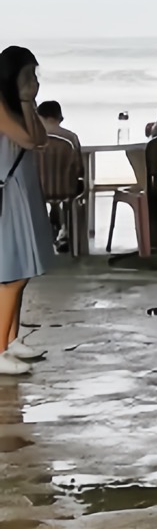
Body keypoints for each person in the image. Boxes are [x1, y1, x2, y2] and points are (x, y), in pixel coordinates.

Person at [0, 46, 53, 374]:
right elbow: (27, 140)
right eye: (27, 76)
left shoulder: (20, 107)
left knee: (23, 270)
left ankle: (14, 339)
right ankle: (1, 348)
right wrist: (24, 101)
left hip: (24, 190)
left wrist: (30, 103)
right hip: (8, 193)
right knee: (11, 275)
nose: (33, 82)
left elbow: (42, 137)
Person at [35, 102, 83, 254]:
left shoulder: (33, 137)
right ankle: (68, 231)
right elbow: (79, 169)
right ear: (59, 118)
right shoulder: (71, 137)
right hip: (67, 189)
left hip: (38, 188)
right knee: (76, 184)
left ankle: (47, 229)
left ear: (39, 117)